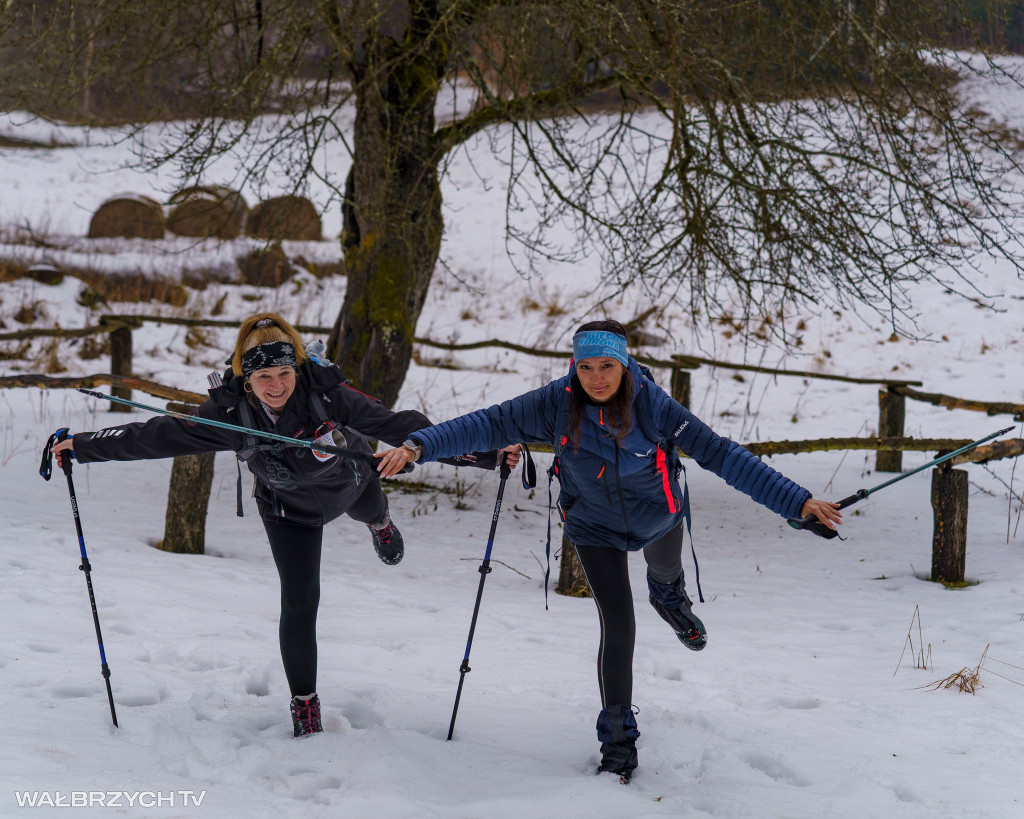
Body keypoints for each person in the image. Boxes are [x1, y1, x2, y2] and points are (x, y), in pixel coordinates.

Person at [376, 319, 841, 782]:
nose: (596, 378)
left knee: (664, 576)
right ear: (573, 367)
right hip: (593, 526)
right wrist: (420, 445)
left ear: (624, 365)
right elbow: (486, 424)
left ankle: (671, 601)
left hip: (659, 517)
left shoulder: (652, 405)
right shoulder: (554, 404)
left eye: (606, 366)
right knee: (618, 626)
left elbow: (721, 454)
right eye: (585, 367)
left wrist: (796, 503)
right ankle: (618, 744)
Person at [49, 311, 512, 738]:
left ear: (297, 369)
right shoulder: (231, 415)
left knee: (372, 511)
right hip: (287, 511)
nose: (276, 386)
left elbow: (401, 426)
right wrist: (82, 446)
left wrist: (490, 455)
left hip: (351, 485)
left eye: (284, 373)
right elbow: (156, 435)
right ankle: (304, 703)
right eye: (263, 376)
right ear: (246, 379)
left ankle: (382, 525)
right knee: (300, 600)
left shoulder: (327, 394)